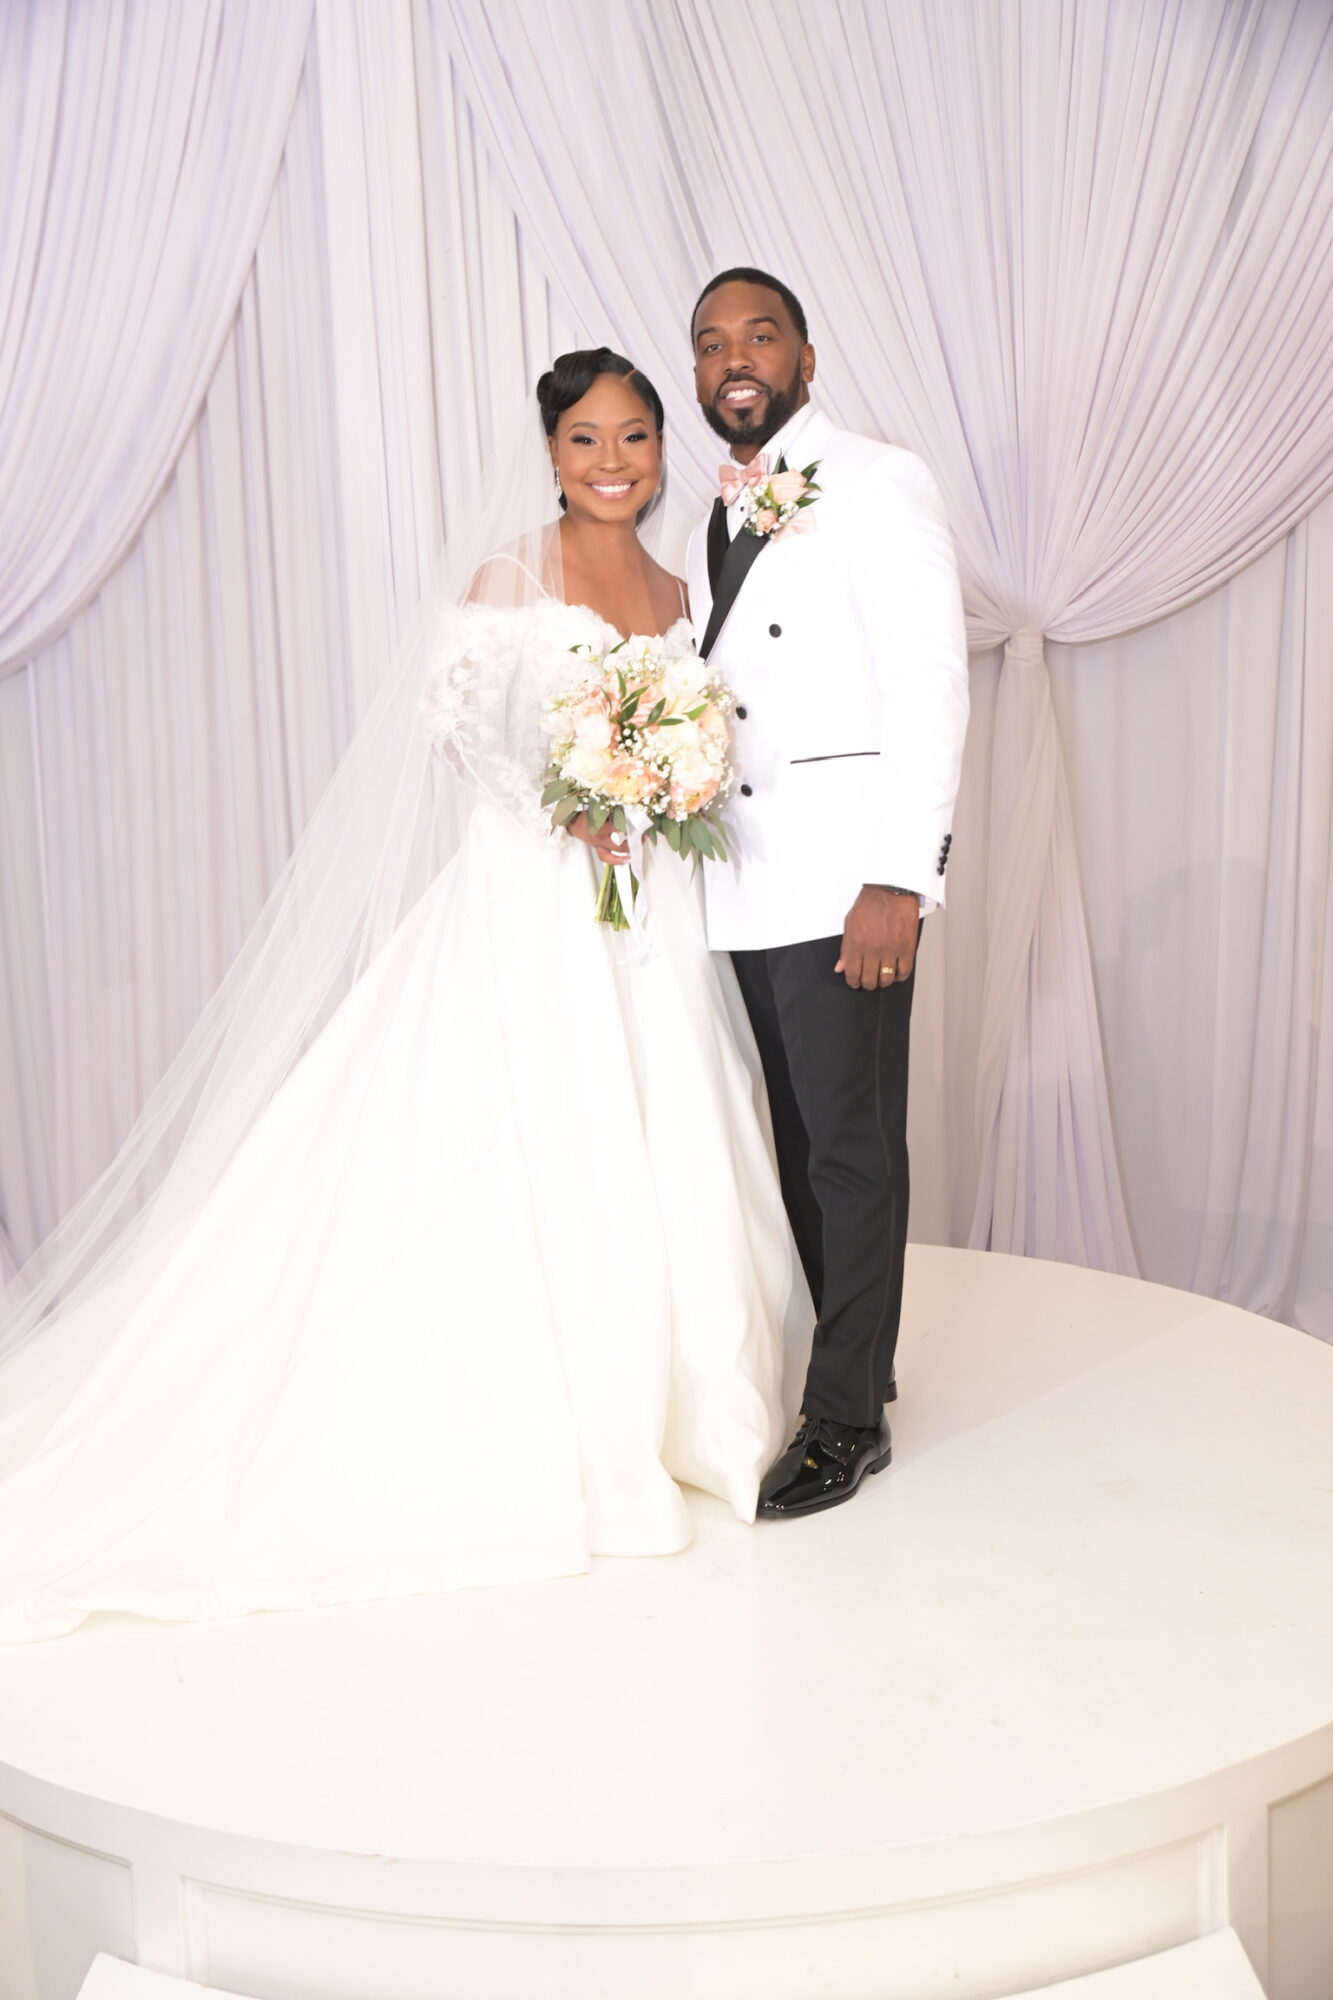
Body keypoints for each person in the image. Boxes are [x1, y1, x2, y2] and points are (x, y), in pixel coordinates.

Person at [0, 350, 798, 1644]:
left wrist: (659, 790)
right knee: (526, 1138)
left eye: (637, 437)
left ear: (662, 450)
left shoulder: (675, 584)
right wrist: (574, 797)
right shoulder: (509, 573)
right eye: (588, 438)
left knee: (669, 1131)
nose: (613, 461)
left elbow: (707, 739)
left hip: (648, 917)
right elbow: (458, 733)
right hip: (530, 902)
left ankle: (686, 1413)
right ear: (549, 452)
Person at [687, 268, 969, 1518]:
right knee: (800, 1146)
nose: (733, 359)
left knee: (851, 1150)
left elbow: (929, 683)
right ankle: (861, 1365)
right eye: (709, 345)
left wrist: (898, 878)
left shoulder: (874, 478)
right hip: (747, 882)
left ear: (807, 355)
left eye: (758, 335)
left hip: (846, 882)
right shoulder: (709, 511)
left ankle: (846, 1417)